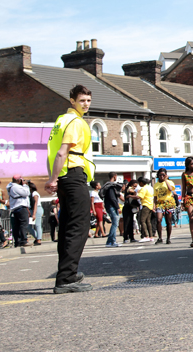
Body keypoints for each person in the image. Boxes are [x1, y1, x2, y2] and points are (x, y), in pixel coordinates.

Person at [45, 84, 96, 294]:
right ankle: (66, 278)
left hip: (65, 178)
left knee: (67, 227)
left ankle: (67, 274)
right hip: (73, 176)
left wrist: (55, 178)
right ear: (72, 101)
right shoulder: (75, 122)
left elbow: (52, 152)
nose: (86, 104)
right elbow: (61, 153)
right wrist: (52, 180)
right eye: (82, 100)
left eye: (88, 100)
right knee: (79, 227)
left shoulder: (61, 121)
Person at [153, 168, 176, 245]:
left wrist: (166, 180)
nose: (161, 176)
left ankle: (168, 238)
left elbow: (170, 189)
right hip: (160, 203)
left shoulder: (170, 182)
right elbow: (155, 196)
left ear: (166, 175)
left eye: (163, 175)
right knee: (158, 220)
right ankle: (160, 238)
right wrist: (154, 205)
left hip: (168, 203)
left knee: (168, 221)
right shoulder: (156, 185)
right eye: (160, 175)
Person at [7, 175, 31, 247]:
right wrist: (25, 185)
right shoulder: (16, 187)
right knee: (23, 224)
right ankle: (23, 240)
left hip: (15, 208)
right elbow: (26, 193)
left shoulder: (11, 186)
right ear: (18, 180)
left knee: (17, 226)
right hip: (21, 207)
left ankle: (18, 242)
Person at [101, 172, 123, 247]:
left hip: (109, 206)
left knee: (115, 223)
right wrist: (118, 207)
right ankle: (111, 241)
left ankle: (110, 241)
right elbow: (113, 198)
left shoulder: (108, 185)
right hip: (111, 206)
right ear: (114, 176)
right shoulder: (111, 186)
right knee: (115, 224)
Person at [136, 177, 155, 242]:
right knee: (148, 221)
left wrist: (130, 196)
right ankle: (151, 236)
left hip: (146, 205)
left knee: (142, 221)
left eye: (139, 183)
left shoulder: (144, 188)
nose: (139, 184)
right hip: (150, 205)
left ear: (141, 182)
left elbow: (139, 196)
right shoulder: (150, 187)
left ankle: (146, 236)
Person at [28, 181, 44, 245]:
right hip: (32, 209)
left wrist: (34, 214)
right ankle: (37, 237)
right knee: (28, 226)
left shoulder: (34, 193)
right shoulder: (29, 194)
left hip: (37, 209)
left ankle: (39, 239)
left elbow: (35, 203)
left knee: (37, 225)